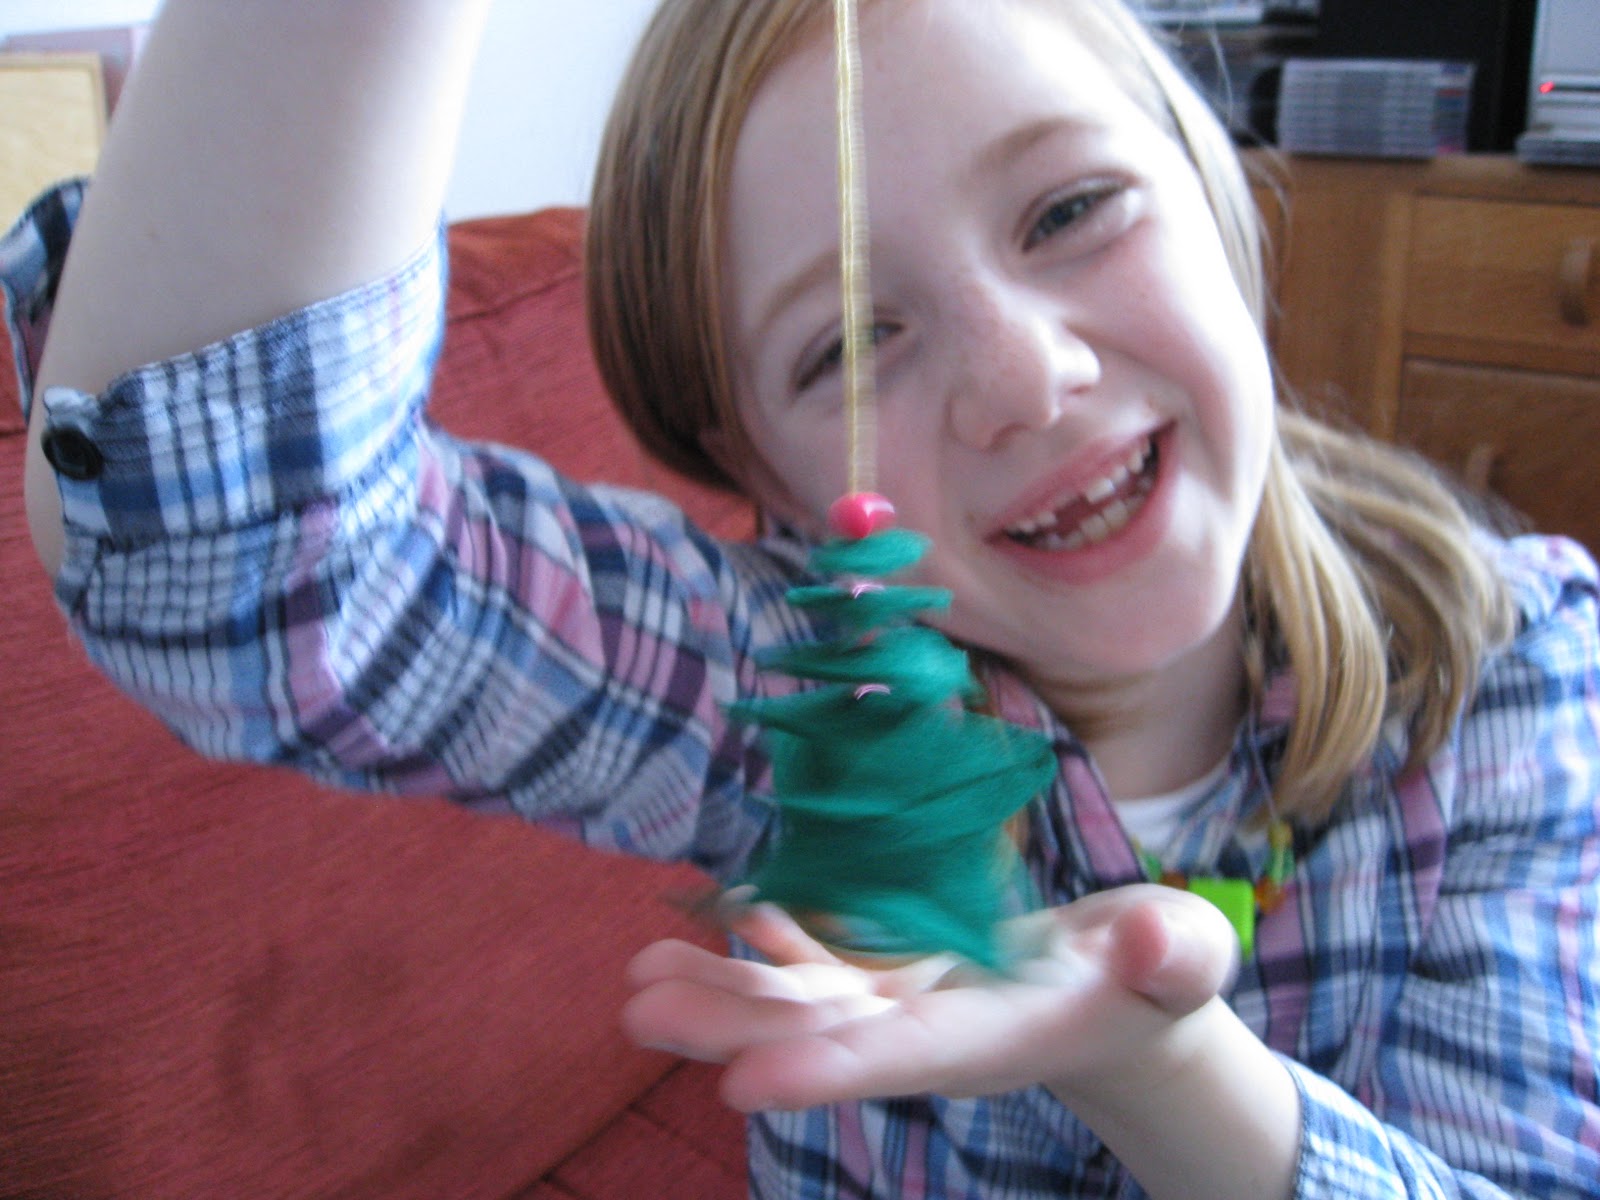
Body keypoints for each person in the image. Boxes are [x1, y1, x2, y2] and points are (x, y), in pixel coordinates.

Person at [6, 0, 1597, 1196]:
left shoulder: (1527, 681)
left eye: (1068, 211)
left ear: (1220, 199)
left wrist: (1165, 1068)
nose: (1023, 382)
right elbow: (237, 561)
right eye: (847, 346)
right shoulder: (789, 694)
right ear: (753, 468)